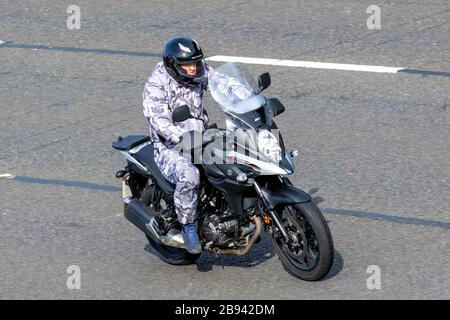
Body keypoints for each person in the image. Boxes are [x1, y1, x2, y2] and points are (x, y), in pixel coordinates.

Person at [142, 36, 211, 254]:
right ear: (173, 65)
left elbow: (224, 83)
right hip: (170, 146)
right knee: (190, 175)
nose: (193, 69)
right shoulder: (156, 84)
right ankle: (189, 226)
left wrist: (251, 101)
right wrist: (180, 136)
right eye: (187, 65)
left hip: (200, 137)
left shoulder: (198, 69)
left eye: (195, 63)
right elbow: (158, 119)